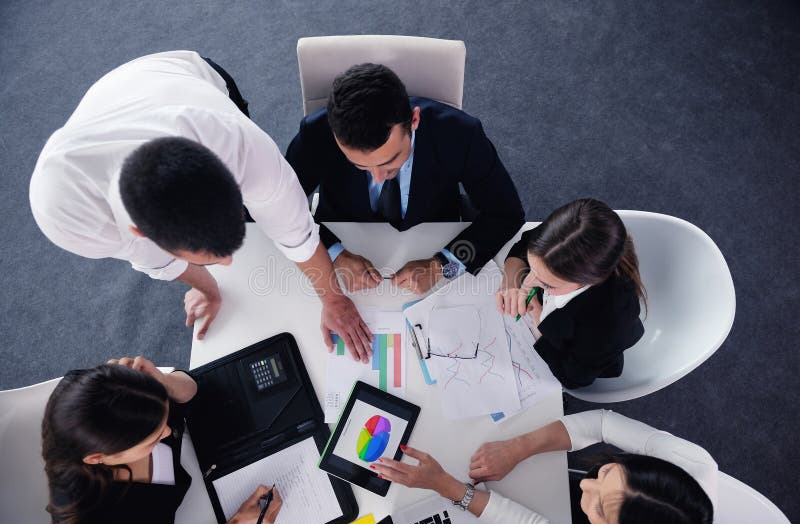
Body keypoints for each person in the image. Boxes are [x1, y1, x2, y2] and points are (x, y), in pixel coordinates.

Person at [29, 50, 373, 363]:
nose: (228, 262)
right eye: (214, 254)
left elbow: (296, 233)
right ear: (140, 231)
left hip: (182, 75)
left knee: (273, 207)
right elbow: (152, 258)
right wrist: (206, 288)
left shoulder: (243, 148)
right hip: (115, 102)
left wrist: (332, 299)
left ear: (230, 180)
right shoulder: (66, 218)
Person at [286, 63, 525, 294]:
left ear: (414, 120)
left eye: (389, 162)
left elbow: (505, 215)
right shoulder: (316, 134)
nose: (378, 179)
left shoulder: (462, 135)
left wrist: (442, 267)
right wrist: (334, 254)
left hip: (434, 234)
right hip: (343, 234)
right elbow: (279, 210)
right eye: (359, 165)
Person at [371, 410, 716, 524]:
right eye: (606, 473)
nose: (586, 488)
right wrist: (520, 447)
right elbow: (602, 423)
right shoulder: (695, 465)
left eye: (599, 509)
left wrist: (447, 486)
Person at [41, 356, 283, 524]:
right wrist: (239, 523)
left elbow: (192, 387)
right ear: (97, 457)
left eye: (164, 420)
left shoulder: (105, 393)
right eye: (154, 438)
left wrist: (164, 382)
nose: (168, 432)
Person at [496, 198, 646, 388]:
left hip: (579, 353)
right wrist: (511, 282)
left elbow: (573, 378)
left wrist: (537, 317)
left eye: (547, 284)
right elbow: (524, 244)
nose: (529, 282)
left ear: (588, 281)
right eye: (532, 269)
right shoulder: (563, 235)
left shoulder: (610, 321)